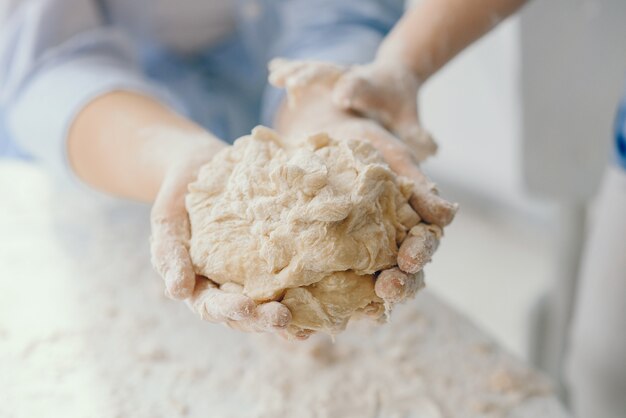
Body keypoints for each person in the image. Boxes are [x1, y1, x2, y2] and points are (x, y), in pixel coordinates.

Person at [1, 0, 623, 415]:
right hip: (109, 136)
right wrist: (172, 159)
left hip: (273, 77)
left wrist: (328, 103)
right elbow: (47, 62)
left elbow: (332, 10)